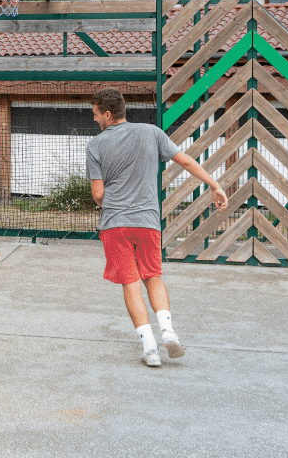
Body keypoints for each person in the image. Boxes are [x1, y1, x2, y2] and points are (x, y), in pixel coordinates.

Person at [86, 87, 228, 368]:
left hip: (116, 223)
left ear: (108, 114)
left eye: (96, 115)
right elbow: (184, 160)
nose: (94, 120)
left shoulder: (95, 145)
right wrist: (214, 185)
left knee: (130, 282)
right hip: (148, 221)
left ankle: (150, 348)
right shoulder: (151, 132)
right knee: (152, 276)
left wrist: (110, 198)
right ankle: (168, 331)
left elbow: (99, 194)